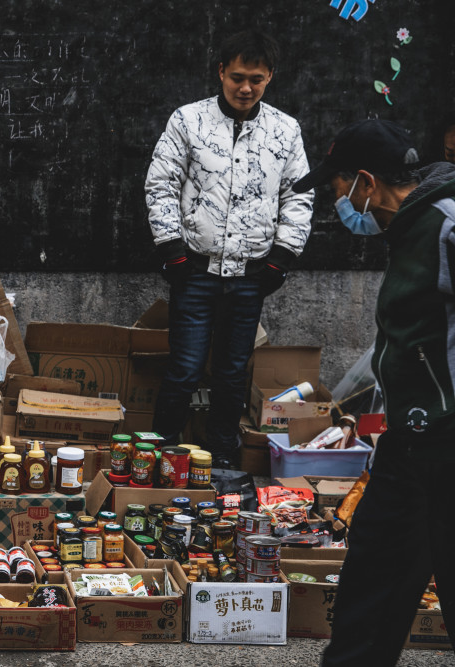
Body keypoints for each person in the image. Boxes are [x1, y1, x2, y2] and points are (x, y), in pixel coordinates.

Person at [291, 120, 455, 666]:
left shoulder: (446, 224)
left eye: (337, 189)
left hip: (448, 446)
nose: (337, 204)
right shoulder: (407, 230)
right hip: (406, 451)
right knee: (370, 594)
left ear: (365, 182)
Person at [144, 29, 313, 467]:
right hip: (194, 272)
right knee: (183, 370)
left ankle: (222, 463)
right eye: (237, 76)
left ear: (270, 77)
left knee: (232, 375)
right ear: (221, 71)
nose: (245, 88)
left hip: (251, 276)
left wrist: (281, 259)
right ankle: (160, 459)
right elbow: (160, 184)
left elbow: (299, 196)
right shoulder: (188, 121)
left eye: (256, 79)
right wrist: (173, 251)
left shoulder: (285, 130)